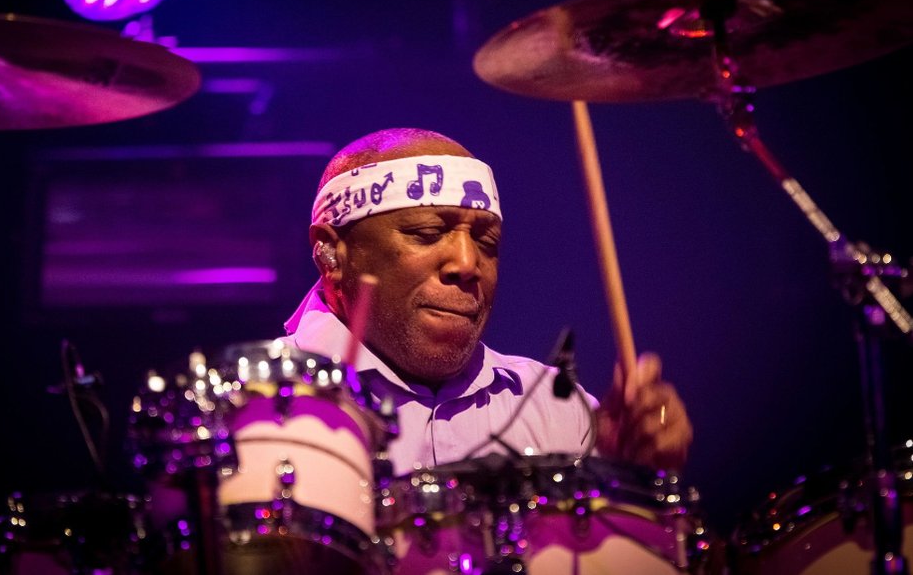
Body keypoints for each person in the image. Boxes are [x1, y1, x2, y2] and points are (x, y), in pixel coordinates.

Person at [279, 126, 693, 476]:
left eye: (486, 241)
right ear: (331, 254)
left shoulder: (562, 412)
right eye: (427, 233)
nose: (467, 262)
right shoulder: (260, 408)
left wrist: (627, 481)